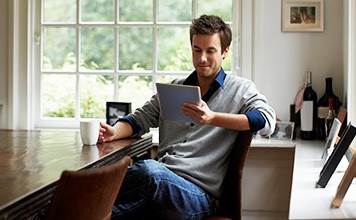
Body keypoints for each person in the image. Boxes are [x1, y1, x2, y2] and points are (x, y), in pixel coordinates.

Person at [98, 14, 276, 220]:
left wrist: (212, 118)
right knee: (90, 214)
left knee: (150, 171)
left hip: (197, 197)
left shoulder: (240, 89)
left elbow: (266, 120)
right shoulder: (174, 88)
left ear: (225, 51)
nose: (201, 59)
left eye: (210, 51)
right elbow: (140, 119)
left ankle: (82, 189)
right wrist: (114, 132)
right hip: (158, 188)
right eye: (196, 50)